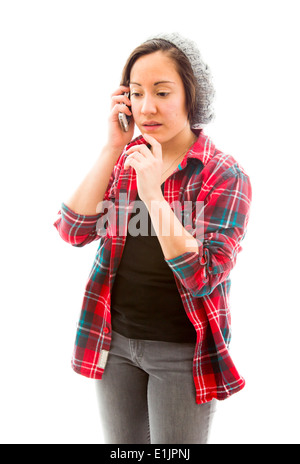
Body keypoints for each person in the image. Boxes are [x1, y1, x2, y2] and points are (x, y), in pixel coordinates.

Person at [53, 32, 252, 444]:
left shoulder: (224, 176)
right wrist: (112, 148)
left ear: (192, 97)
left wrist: (153, 195)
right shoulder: (127, 158)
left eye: (162, 92)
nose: (147, 107)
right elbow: (73, 231)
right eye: (136, 92)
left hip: (182, 354)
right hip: (115, 344)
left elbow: (202, 275)